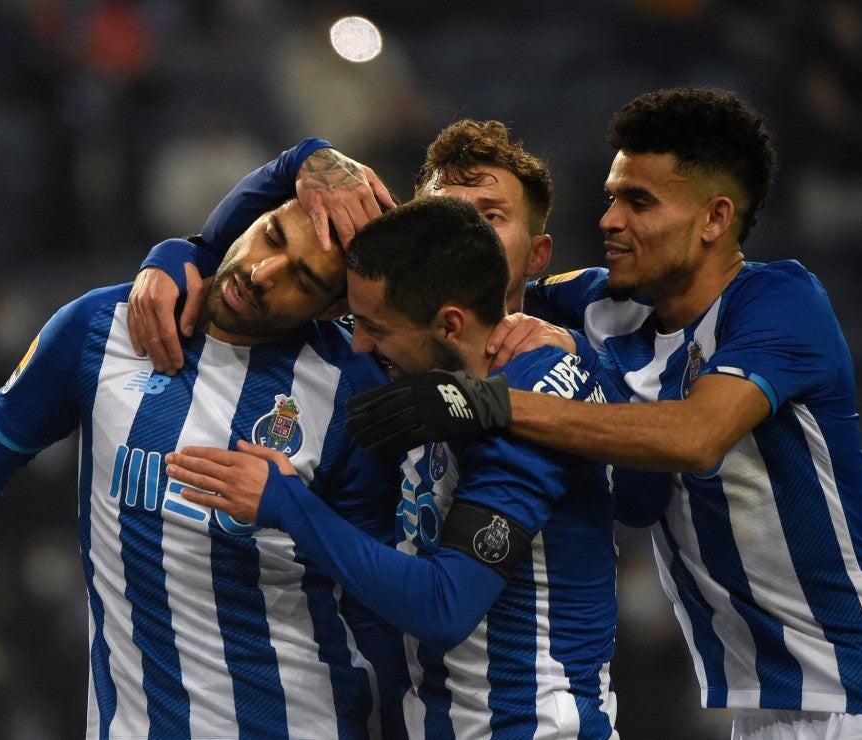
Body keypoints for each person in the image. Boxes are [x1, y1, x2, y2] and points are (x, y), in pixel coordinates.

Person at [343, 87, 862, 739]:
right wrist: (317, 168)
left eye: (638, 201)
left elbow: (696, 437)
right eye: (611, 196)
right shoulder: (592, 308)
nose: (610, 220)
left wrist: (482, 403)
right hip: (758, 703)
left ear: (714, 218)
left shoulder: (780, 302)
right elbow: (464, 299)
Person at [0, 145, 411, 740]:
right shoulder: (99, 328)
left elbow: (381, 601)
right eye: (273, 237)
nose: (262, 274)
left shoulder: (355, 391)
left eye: (302, 279)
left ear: (335, 306)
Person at [166, 196, 623, 738]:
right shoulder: (427, 380)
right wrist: (174, 255)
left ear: (450, 324)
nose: (358, 343)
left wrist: (287, 502)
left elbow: (445, 606)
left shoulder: (535, 397)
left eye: (374, 328)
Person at [130, 119, 565, 369]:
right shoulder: (357, 340)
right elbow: (221, 255)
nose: (462, 233)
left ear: (538, 254)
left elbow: (635, 492)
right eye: (442, 214)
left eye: (490, 217)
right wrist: (307, 156)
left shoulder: (570, 322)